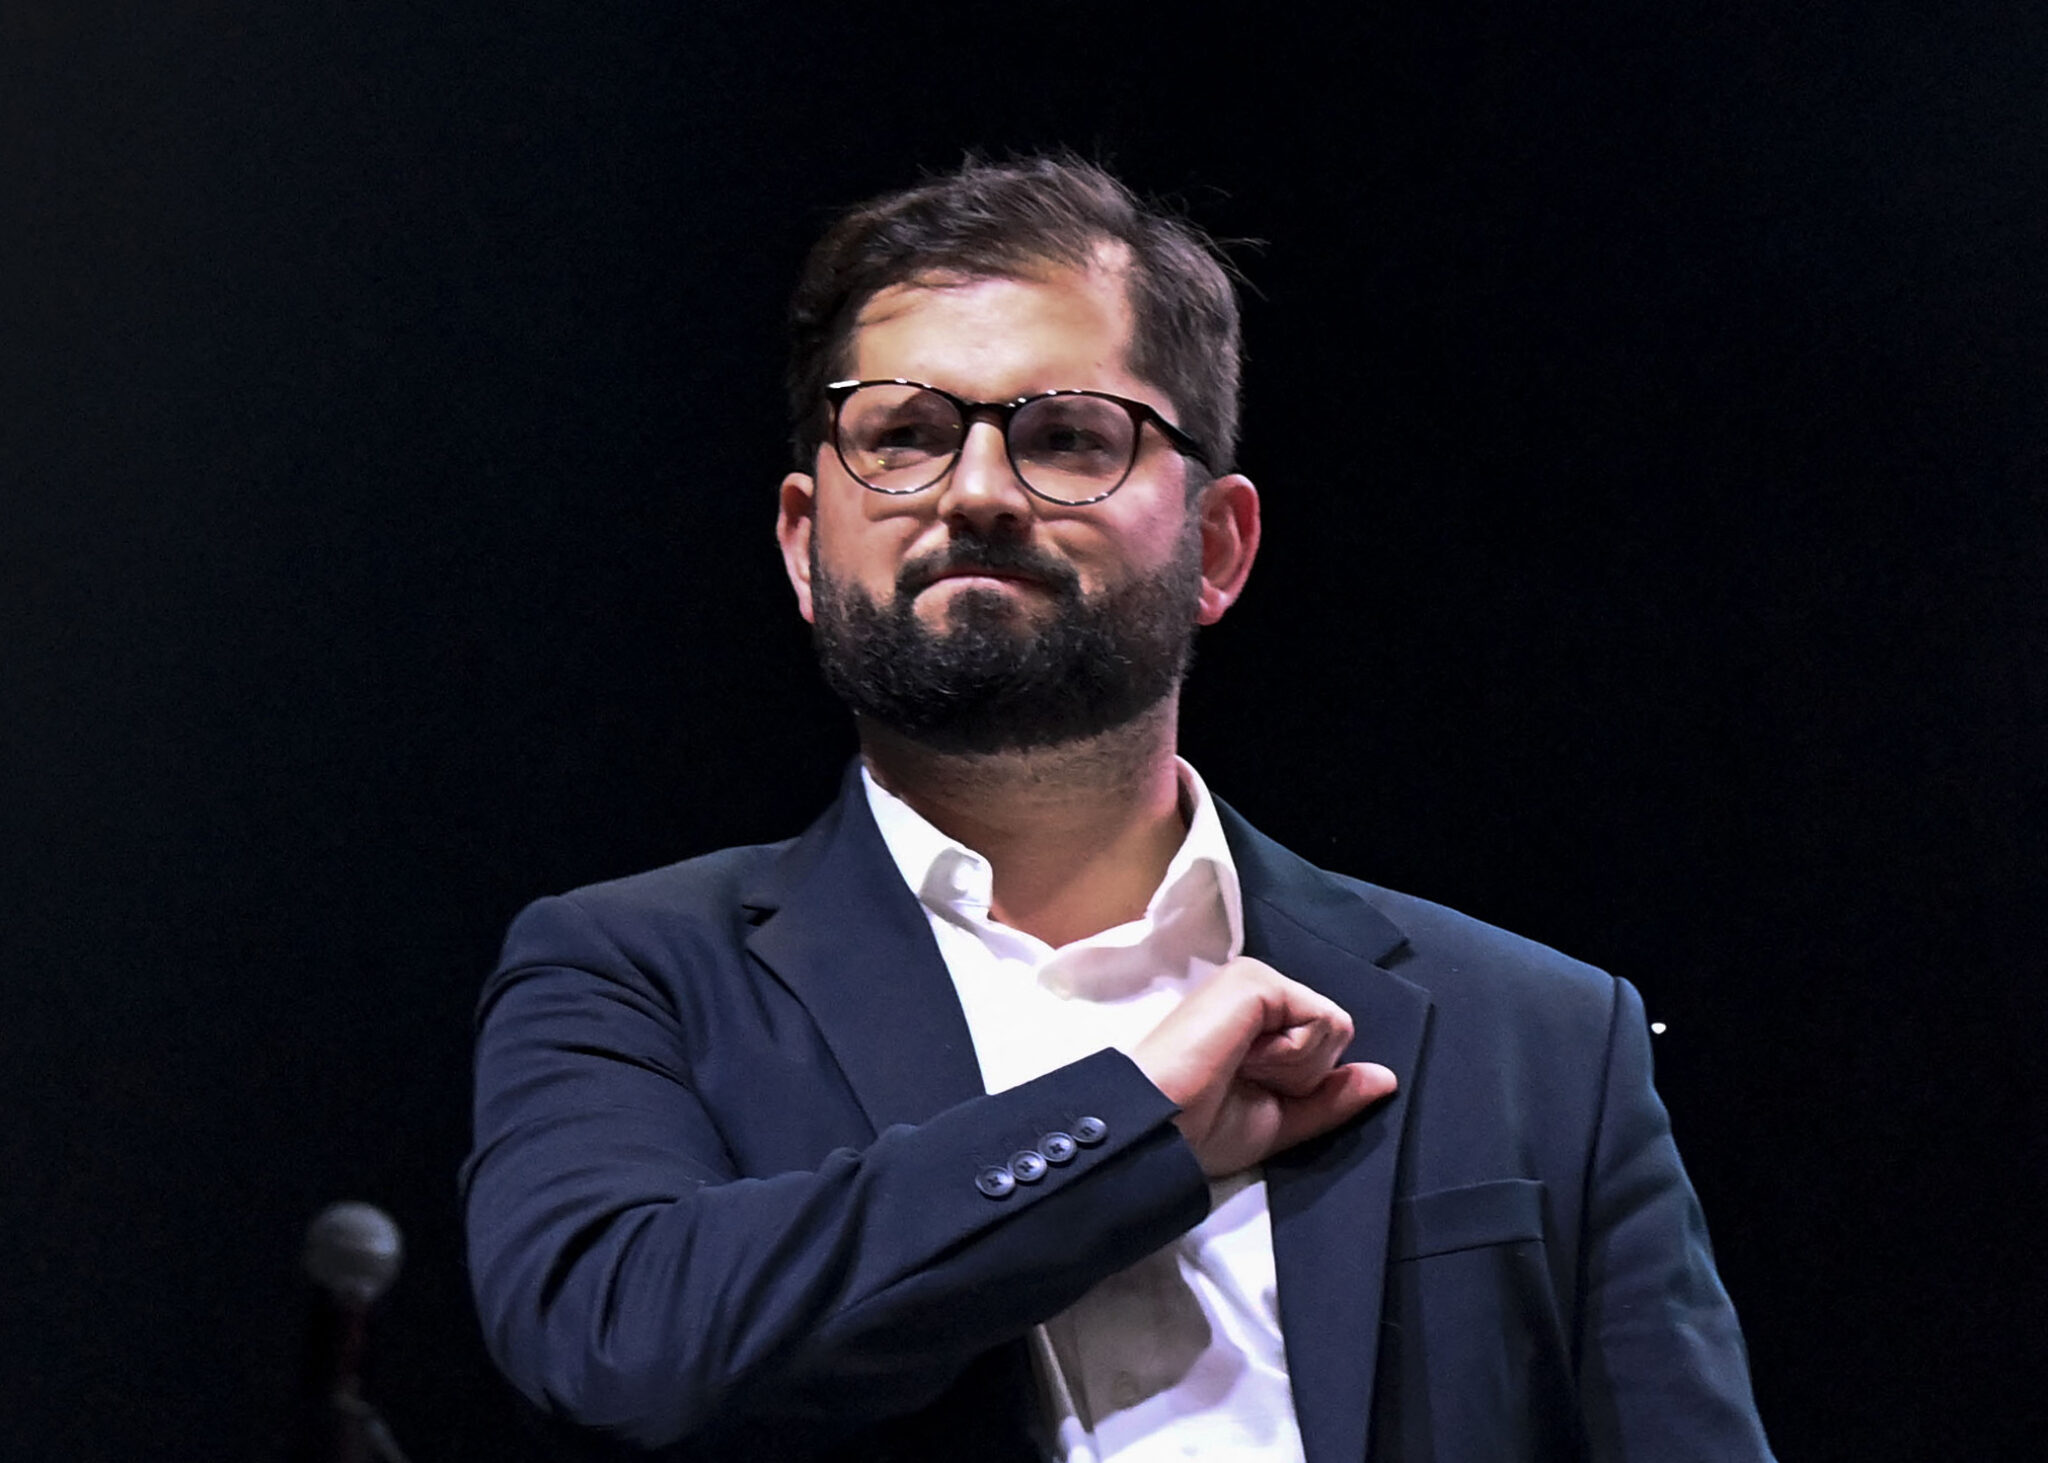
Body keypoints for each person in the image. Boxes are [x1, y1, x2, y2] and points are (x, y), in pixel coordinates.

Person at [462, 154, 1775, 1462]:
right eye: (904, 434)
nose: (975, 489)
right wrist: (1129, 1122)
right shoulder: (633, 976)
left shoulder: (1539, 1033)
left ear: (1216, 547)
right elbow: (614, 1342)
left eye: (1069, 436)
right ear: (806, 542)